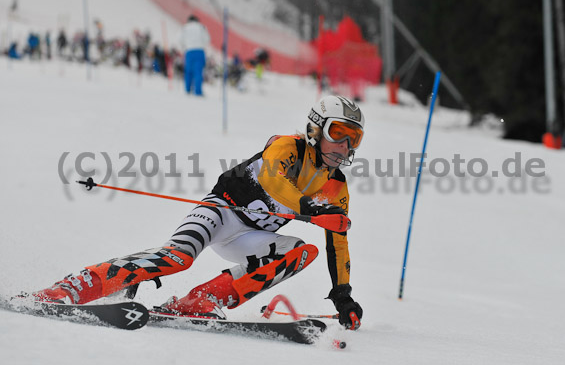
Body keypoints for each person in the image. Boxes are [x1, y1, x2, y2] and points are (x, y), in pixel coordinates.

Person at [30, 95, 365, 330]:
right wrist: (308, 208)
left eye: (354, 139)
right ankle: (73, 287)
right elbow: (272, 179)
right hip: (220, 214)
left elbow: (338, 242)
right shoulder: (287, 147)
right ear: (316, 128)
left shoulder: (335, 186)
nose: (345, 147)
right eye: (339, 134)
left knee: (302, 253)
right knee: (177, 258)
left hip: (251, 237)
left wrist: (343, 295)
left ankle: (200, 300)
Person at [181, 15, 210, 96]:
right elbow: (207, 39)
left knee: (188, 71)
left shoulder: (185, 27)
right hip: (199, 51)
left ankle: (187, 90)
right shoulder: (201, 27)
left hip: (189, 51)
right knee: (198, 72)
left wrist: (184, 46)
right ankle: (198, 91)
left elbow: (180, 39)